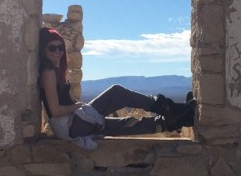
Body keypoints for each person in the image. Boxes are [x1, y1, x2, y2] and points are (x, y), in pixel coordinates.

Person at [38, 27, 196, 149]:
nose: (57, 51)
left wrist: (81, 108)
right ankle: (169, 108)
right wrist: (78, 106)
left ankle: (174, 121)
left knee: (123, 124)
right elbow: (56, 110)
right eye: (52, 48)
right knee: (116, 92)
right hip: (70, 127)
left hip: (71, 127)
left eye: (60, 47)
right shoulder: (49, 73)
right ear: (43, 50)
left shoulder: (55, 71)